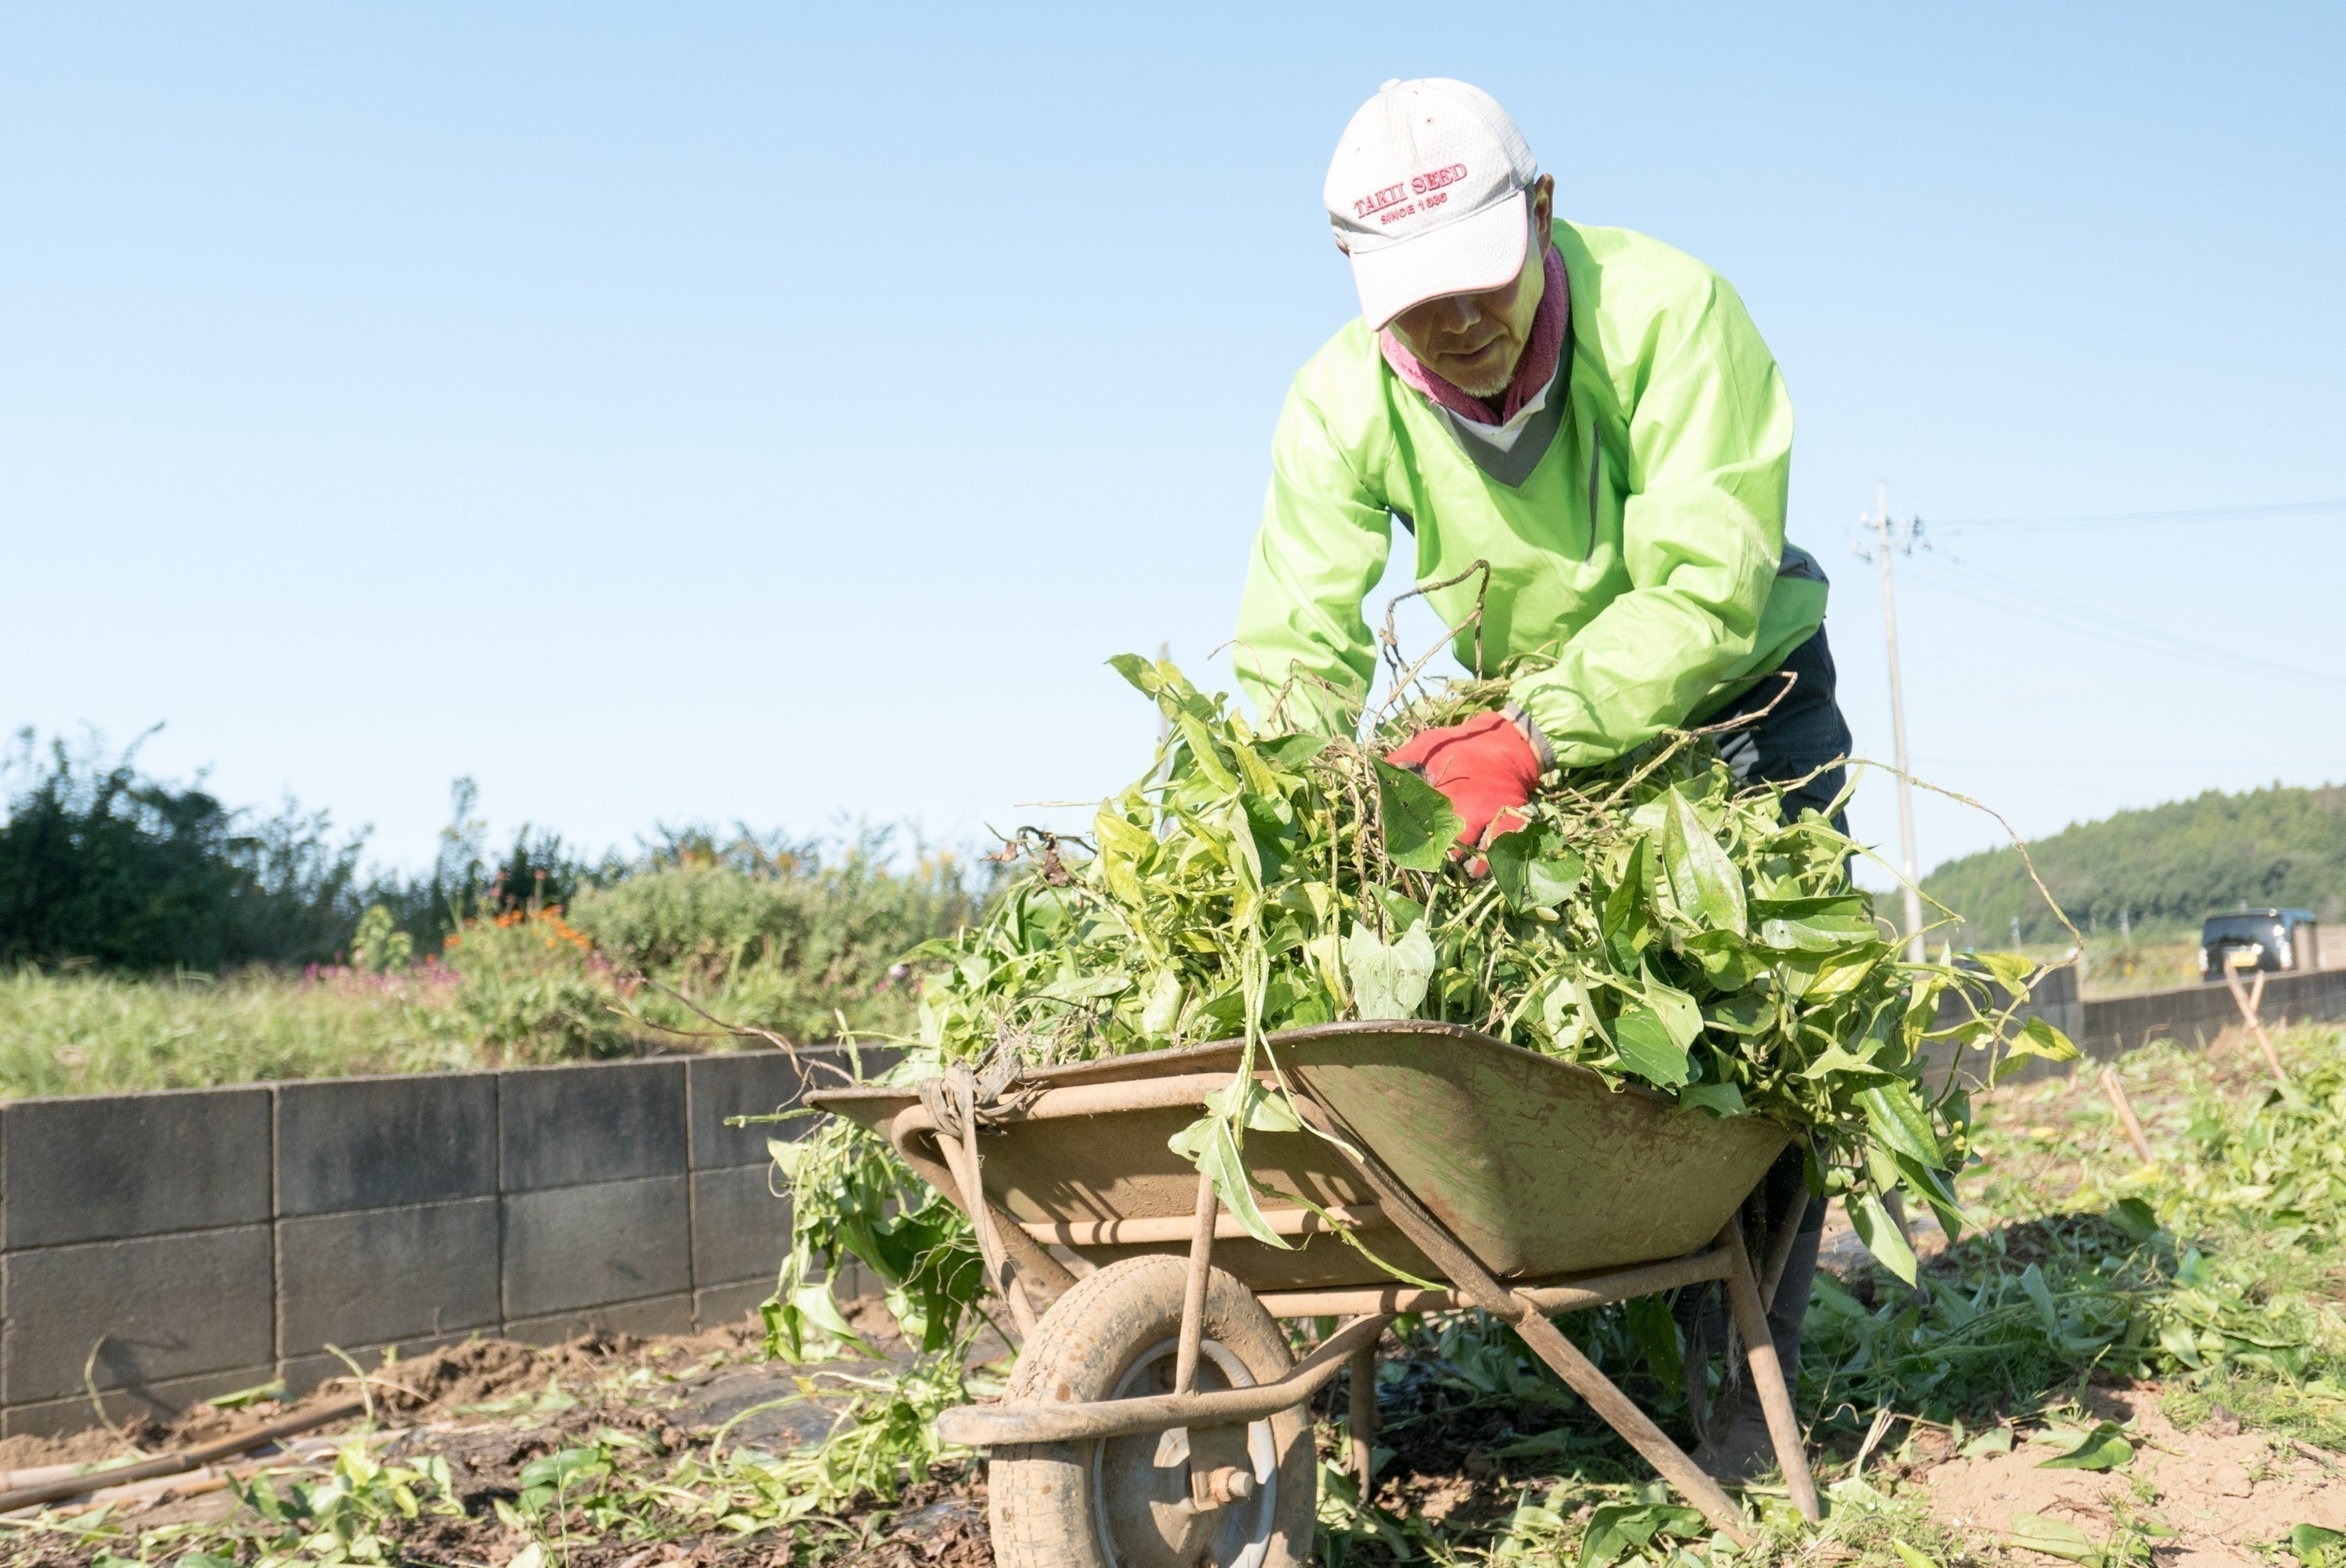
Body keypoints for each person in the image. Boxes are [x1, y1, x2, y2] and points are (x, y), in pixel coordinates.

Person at [1232, 77, 1847, 1471]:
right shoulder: (1342, 403)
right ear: (1357, 282)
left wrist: (1536, 729)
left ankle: (1750, 1399)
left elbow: (1704, 588)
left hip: (1734, 691)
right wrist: (1290, 801)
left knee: (1765, 1029)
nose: (1456, 326)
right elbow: (1295, 648)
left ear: (1545, 214)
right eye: (1416, 300)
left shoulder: (1672, 313)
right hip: (1525, 729)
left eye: (1478, 282)